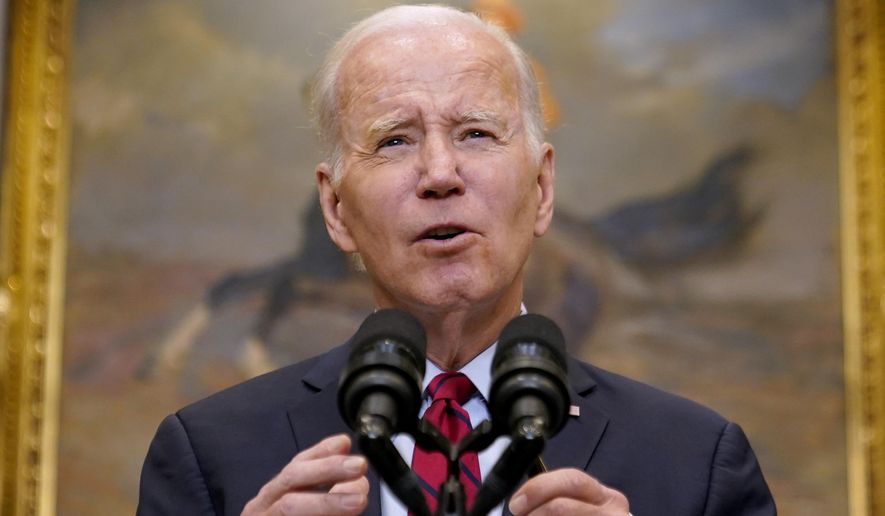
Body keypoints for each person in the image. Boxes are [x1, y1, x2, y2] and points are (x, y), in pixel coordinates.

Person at [136, 5, 776, 515]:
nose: (440, 174)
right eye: (394, 140)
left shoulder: (699, 462)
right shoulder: (207, 456)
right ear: (335, 210)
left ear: (542, 190)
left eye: (476, 133)